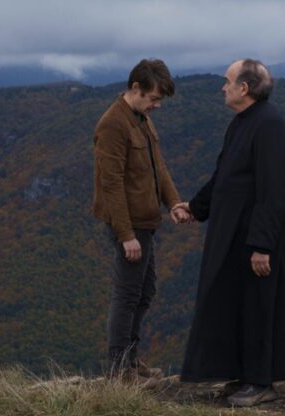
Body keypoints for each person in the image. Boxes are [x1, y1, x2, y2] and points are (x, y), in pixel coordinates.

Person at [174, 59, 285, 407]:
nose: (223, 87)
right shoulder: (242, 124)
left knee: (259, 308)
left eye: (227, 81)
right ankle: (242, 375)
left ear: (244, 88)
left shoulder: (271, 127)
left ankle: (260, 382)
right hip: (235, 235)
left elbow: (274, 191)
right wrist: (194, 207)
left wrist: (262, 244)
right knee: (236, 305)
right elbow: (224, 177)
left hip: (257, 238)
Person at [92, 58, 191, 380]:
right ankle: (119, 369)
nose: (157, 105)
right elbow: (110, 184)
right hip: (130, 225)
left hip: (147, 223)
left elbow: (157, 167)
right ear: (136, 88)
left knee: (144, 292)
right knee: (128, 295)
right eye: (154, 98)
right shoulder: (113, 125)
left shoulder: (141, 119)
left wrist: (174, 202)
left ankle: (131, 362)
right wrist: (125, 234)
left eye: (160, 99)